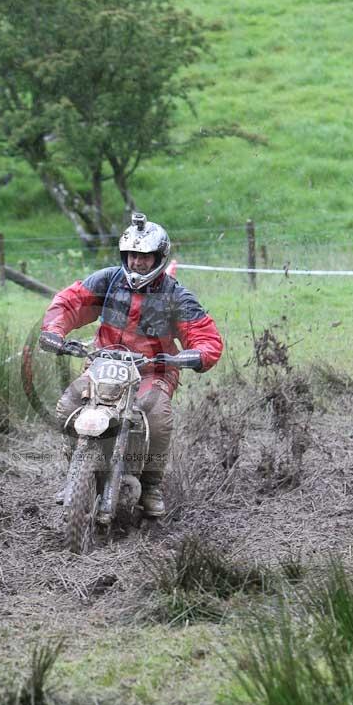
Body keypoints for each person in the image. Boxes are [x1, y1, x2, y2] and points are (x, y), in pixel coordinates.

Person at [39, 212, 223, 517]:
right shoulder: (107, 280)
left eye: (144, 256)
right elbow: (70, 303)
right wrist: (55, 332)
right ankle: (75, 474)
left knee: (157, 417)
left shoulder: (176, 295)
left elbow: (205, 336)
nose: (137, 262)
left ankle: (151, 485)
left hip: (153, 369)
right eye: (132, 255)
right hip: (103, 363)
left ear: (159, 258)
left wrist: (197, 354)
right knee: (68, 405)